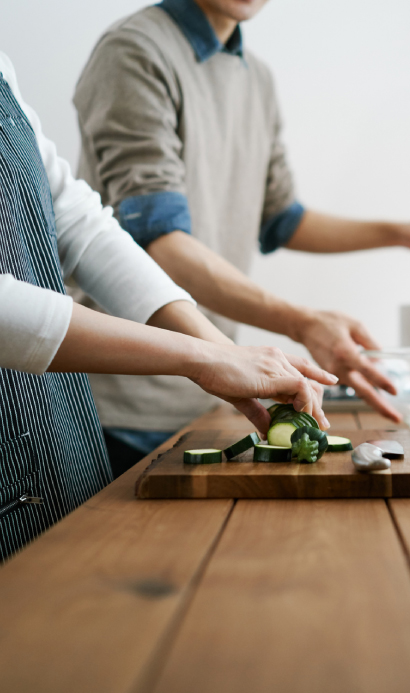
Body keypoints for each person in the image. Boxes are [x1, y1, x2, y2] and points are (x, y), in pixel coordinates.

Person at [73, 0, 410, 475]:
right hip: (121, 406)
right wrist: (301, 321)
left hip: (213, 394)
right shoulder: (134, 51)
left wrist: (400, 234)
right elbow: (161, 243)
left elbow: (280, 218)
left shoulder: (256, 76)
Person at [0, 51, 334, 560]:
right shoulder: (138, 54)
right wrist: (202, 358)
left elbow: (76, 221)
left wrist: (223, 352)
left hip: (52, 423)